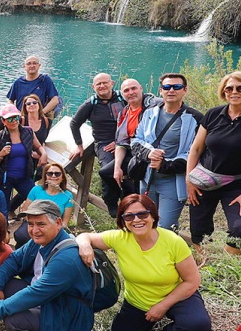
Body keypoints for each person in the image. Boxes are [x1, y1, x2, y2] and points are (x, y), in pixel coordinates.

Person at [76, 194, 211, 331]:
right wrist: (84, 246)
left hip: (176, 294)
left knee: (197, 325)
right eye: (129, 216)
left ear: (153, 215)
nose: (136, 219)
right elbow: (85, 236)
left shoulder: (173, 242)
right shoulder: (120, 238)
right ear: (123, 220)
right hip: (139, 300)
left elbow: (192, 281)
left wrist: (162, 306)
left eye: (142, 214)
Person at [0, 200, 94, 331]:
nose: (34, 230)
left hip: (65, 312)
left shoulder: (67, 258)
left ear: (57, 223)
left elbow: (36, 293)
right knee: (6, 284)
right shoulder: (40, 241)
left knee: (14, 320)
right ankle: (37, 327)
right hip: (49, 300)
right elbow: (14, 260)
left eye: (41, 224)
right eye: (30, 224)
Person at [187, 71, 241, 255]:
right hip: (205, 180)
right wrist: (189, 180)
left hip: (237, 185)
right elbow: (195, 149)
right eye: (229, 88)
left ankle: (224, 265)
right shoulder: (213, 114)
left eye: (240, 88)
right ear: (223, 91)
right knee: (198, 230)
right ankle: (203, 268)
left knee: (240, 230)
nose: (234, 92)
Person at [116, 73, 203, 231]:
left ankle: (170, 253)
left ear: (185, 90)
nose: (171, 90)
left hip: (173, 182)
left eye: (176, 87)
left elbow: (195, 153)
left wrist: (164, 164)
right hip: (147, 178)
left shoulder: (195, 118)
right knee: (147, 221)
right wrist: (149, 153)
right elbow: (135, 140)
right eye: (166, 87)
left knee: (165, 227)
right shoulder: (150, 112)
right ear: (160, 90)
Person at [70, 73, 130, 217]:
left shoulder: (123, 99)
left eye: (105, 83)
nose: (102, 86)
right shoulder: (91, 104)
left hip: (126, 141)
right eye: (98, 84)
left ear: (112, 83)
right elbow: (74, 123)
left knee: (130, 169)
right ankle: (111, 200)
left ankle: (128, 199)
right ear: (93, 87)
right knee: (107, 170)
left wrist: (120, 142)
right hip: (103, 144)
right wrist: (79, 145)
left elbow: (137, 118)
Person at [0, 106, 41, 212]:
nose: (14, 121)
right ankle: (4, 225)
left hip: (24, 177)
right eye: (10, 119)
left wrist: (43, 154)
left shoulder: (28, 132)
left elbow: (39, 147)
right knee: (2, 209)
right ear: (3, 121)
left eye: (16, 118)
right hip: (5, 179)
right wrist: (1, 154)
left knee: (37, 200)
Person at [15, 164, 76, 246]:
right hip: (33, 221)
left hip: (52, 226)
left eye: (57, 174)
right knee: (21, 236)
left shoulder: (68, 196)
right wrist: (34, 224)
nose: (53, 176)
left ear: (63, 178)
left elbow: (65, 222)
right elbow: (25, 209)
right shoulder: (36, 190)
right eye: (50, 173)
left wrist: (50, 229)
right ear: (45, 176)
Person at [19, 94, 52, 167]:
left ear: (39, 105)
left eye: (34, 102)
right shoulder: (21, 121)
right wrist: (31, 153)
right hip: (24, 157)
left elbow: (44, 140)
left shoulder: (47, 122)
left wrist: (41, 153)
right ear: (25, 107)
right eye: (28, 103)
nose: (32, 105)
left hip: (40, 157)